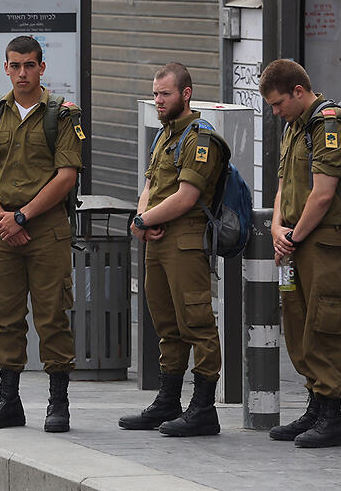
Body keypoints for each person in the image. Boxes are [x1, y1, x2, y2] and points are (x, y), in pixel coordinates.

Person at [0, 35, 82, 434]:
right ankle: (9, 401)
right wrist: (3, 218)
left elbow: (66, 177)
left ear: (42, 67)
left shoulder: (62, 115)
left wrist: (23, 216)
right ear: (5, 68)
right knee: (7, 320)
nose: (22, 73)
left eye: (29, 65)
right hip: (3, 230)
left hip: (46, 229)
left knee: (52, 317)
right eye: (15, 66)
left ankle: (58, 403)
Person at [118, 63, 225, 437]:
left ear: (186, 94)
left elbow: (187, 196)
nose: (158, 101)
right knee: (167, 324)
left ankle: (204, 408)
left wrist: (143, 221)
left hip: (185, 242)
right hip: (158, 240)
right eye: (155, 94)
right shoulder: (165, 135)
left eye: (165, 94)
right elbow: (149, 185)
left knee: (197, 322)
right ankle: (168, 401)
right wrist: (143, 218)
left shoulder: (200, 139)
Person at [259, 59, 341, 448]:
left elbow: (323, 195)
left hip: (325, 243)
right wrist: (276, 228)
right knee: (298, 323)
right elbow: (284, 185)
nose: (275, 111)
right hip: (296, 242)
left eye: (278, 103)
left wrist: (293, 237)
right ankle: (315, 406)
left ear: (298, 91)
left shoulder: (330, 125)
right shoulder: (294, 127)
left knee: (324, 323)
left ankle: (332, 417)